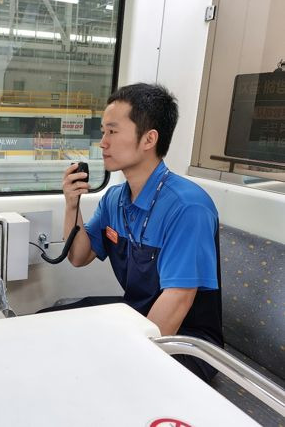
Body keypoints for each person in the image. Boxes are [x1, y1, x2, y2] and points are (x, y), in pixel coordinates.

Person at [41, 83, 223, 382]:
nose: (102, 143)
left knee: (87, 370)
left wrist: (124, 359)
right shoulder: (115, 199)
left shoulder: (188, 207)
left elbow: (179, 298)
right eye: (103, 132)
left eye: (112, 131)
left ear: (149, 138)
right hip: (135, 313)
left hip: (187, 341)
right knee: (47, 323)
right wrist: (72, 204)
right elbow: (78, 256)